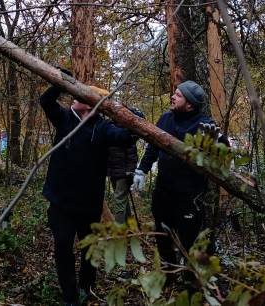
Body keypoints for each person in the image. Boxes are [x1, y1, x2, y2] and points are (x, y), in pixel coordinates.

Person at [40, 80, 134, 306]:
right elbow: (45, 101)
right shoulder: (64, 118)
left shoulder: (102, 127)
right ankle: (70, 297)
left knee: (89, 251)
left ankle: (86, 288)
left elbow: (124, 136)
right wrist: (60, 80)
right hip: (61, 204)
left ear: (92, 103)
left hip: (89, 206)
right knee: (63, 248)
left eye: (82, 95)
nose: (76, 97)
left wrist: (130, 116)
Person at [131, 80, 229, 271]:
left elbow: (222, 153)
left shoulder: (205, 125)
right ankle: (168, 273)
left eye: (178, 95)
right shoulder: (166, 119)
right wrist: (142, 169)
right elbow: (152, 146)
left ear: (190, 104)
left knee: (189, 240)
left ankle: (191, 279)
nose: (172, 97)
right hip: (163, 192)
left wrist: (218, 142)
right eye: (174, 93)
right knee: (162, 235)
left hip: (189, 197)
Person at [107, 107, 145, 225]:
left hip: (125, 170)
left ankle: (118, 234)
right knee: (122, 199)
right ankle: (130, 229)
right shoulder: (110, 125)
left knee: (119, 198)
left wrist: (127, 110)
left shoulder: (129, 128)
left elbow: (141, 118)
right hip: (114, 170)